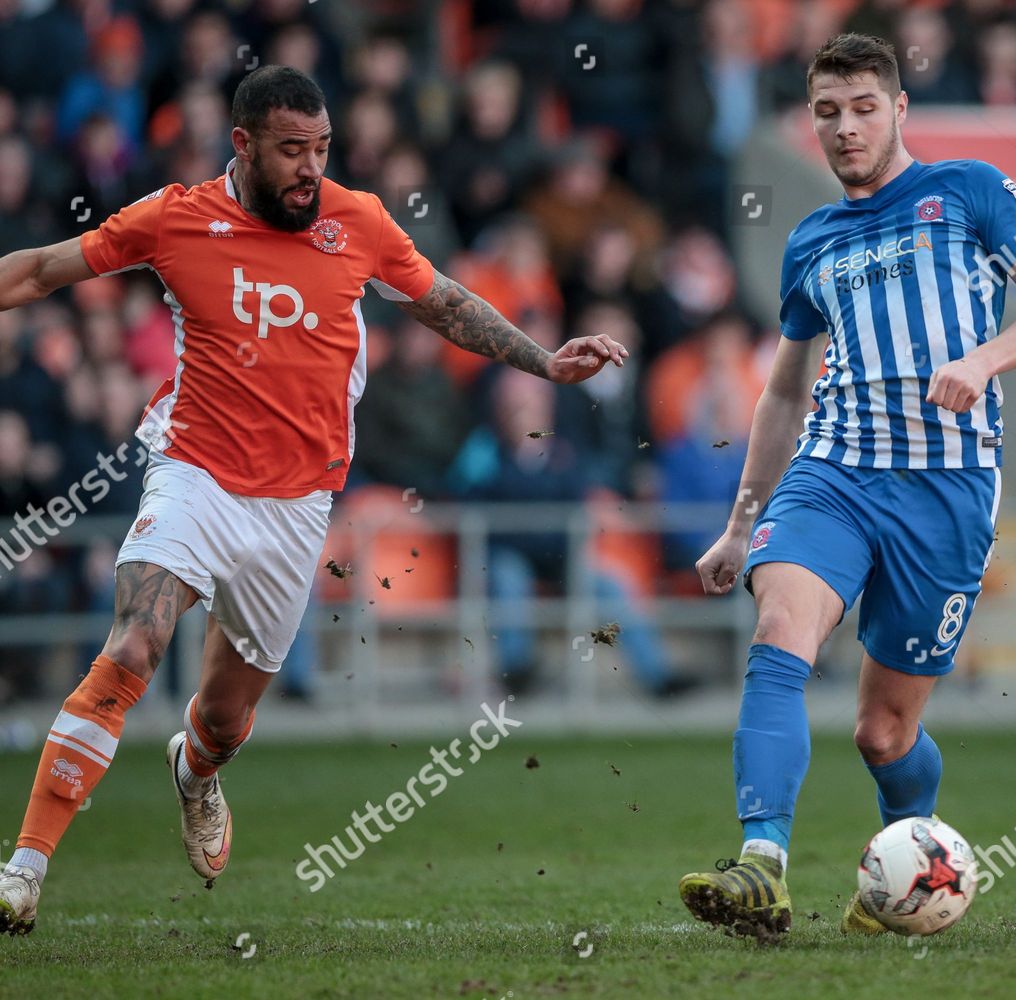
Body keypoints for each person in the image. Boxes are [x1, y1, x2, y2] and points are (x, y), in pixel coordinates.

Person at [0, 65, 627, 936]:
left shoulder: (356, 220)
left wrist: (543, 361)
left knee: (225, 719)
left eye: (323, 149)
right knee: (135, 641)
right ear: (243, 145)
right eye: (293, 150)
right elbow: (38, 271)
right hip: (194, 472)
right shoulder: (176, 218)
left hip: (297, 506)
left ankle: (196, 772)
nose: (311, 168)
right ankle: (23, 872)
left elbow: (442, 301)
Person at [676, 33, 1016, 938]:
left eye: (864, 108)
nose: (846, 128)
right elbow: (785, 393)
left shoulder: (968, 191)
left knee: (883, 733)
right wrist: (742, 525)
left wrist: (983, 359)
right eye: (828, 112)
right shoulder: (811, 241)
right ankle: (762, 864)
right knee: (780, 632)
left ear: (899, 110)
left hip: (946, 490)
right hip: (835, 473)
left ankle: (912, 862)